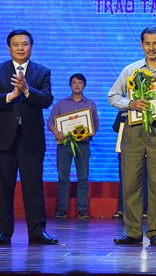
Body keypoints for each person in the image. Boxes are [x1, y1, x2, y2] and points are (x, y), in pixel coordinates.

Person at [0, 29, 57, 245]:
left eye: (25, 44)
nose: (20, 48)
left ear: (31, 47)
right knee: (4, 187)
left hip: (31, 139)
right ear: (9, 48)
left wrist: (26, 90)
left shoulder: (42, 72)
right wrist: (10, 96)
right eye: (16, 44)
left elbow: (46, 99)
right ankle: (3, 232)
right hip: (3, 138)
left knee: (33, 187)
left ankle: (37, 231)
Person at [108, 26, 156, 246]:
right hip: (133, 130)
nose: (151, 47)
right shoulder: (130, 70)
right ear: (141, 45)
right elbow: (112, 96)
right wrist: (130, 103)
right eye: (147, 43)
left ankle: (155, 231)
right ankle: (132, 232)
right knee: (130, 182)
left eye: (155, 43)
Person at [47, 73, 99, 219]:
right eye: (74, 82)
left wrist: (89, 133)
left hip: (83, 145)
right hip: (64, 145)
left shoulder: (90, 104)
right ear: (70, 85)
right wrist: (56, 132)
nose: (77, 85)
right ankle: (61, 209)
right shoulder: (61, 104)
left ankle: (82, 210)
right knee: (63, 178)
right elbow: (50, 121)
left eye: (80, 82)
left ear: (84, 86)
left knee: (83, 178)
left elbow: (95, 124)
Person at [111, 110, 148, 219]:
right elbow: (115, 127)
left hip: (142, 150)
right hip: (125, 149)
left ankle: (144, 209)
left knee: (144, 180)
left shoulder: (146, 110)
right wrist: (126, 120)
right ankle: (122, 209)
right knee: (124, 180)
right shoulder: (123, 110)